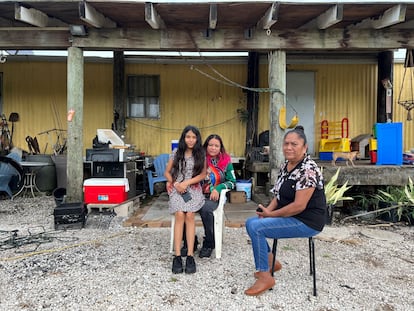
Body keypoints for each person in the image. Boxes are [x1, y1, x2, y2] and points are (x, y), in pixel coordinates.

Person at [244, 126, 326, 296]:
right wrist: (267, 210)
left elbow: (299, 206)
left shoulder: (308, 170)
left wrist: (270, 215)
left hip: (307, 221)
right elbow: (279, 195)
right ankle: (271, 262)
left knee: (257, 227)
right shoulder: (286, 166)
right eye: (286, 143)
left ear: (304, 148)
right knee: (251, 222)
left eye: (294, 144)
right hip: (292, 216)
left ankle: (265, 276)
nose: (289, 147)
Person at [181, 134, 236, 258]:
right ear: (206, 146)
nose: (213, 148)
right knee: (182, 206)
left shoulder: (226, 161)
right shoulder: (198, 158)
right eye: (210, 145)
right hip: (195, 193)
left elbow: (232, 182)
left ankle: (209, 242)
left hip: (212, 197)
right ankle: (190, 241)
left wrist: (218, 188)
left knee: (206, 209)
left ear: (220, 147)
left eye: (216, 145)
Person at [165, 125, 206, 274]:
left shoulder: (201, 153)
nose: (191, 140)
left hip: (193, 189)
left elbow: (202, 175)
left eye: (194, 137)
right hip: (177, 189)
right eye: (188, 137)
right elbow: (167, 172)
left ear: (197, 139)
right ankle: (177, 256)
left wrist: (187, 183)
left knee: (189, 214)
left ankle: (189, 255)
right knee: (179, 214)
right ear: (184, 138)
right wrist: (176, 184)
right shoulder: (176, 153)